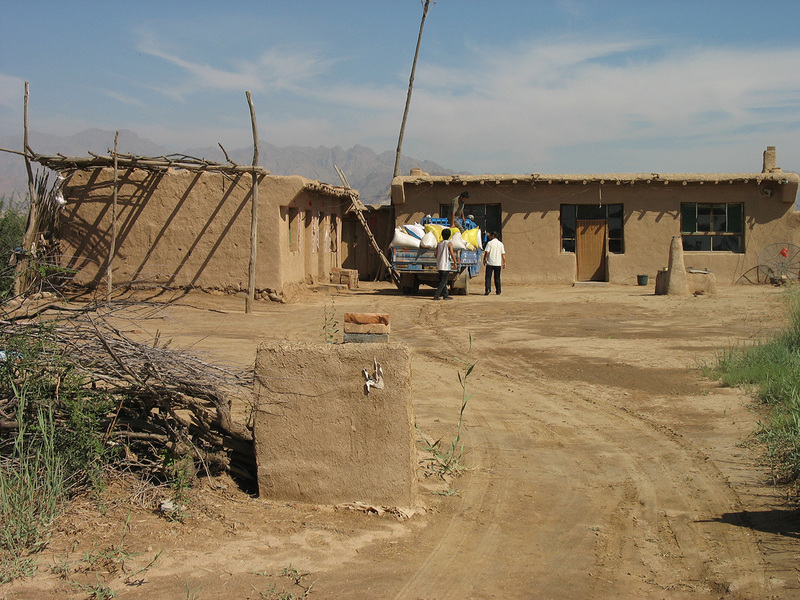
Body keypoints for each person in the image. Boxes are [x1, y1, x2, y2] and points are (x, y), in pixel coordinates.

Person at [434, 228, 458, 300]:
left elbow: (435, 254)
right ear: (449, 236)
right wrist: (455, 262)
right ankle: (436, 295)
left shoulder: (439, 244)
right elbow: (452, 253)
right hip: (445, 265)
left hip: (439, 265)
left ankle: (445, 295)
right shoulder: (449, 243)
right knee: (443, 281)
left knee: (443, 281)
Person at [483, 231, 506, 295]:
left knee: (488, 277)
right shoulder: (500, 244)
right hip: (498, 263)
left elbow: (487, 252)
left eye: (490, 235)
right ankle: (498, 291)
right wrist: (504, 262)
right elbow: (503, 254)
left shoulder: (490, 243)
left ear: (493, 236)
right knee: (497, 277)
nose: (489, 237)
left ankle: (488, 289)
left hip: (490, 263)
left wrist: (484, 259)